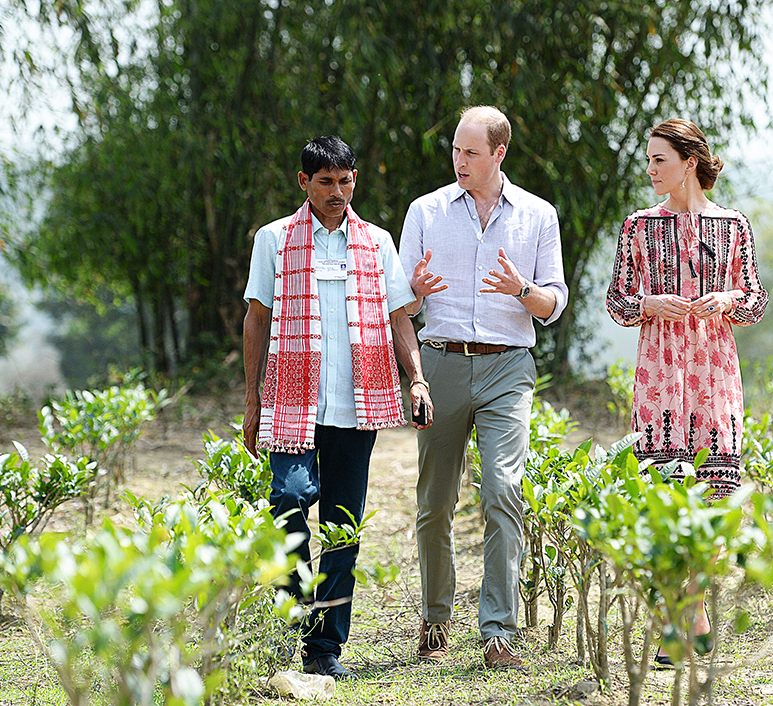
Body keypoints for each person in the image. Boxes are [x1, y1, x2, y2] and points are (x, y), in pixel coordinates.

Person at [242, 136, 433, 680]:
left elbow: (399, 316)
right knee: (291, 500)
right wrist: (251, 400)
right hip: (290, 400)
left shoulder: (376, 242)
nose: (338, 192)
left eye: (346, 181)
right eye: (326, 182)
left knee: (344, 526)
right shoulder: (274, 240)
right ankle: (288, 626)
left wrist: (415, 379)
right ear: (303, 182)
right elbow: (256, 318)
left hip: (357, 405)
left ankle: (325, 647)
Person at [398, 105, 568, 670]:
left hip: (507, 368)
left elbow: (552, 306)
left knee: (502, 489)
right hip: (442, 363)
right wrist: (416, 292)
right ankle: (435, 618)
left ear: (499, 153)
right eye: (454, 150)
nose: (459, 161)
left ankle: (498, 630)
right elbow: (402, 307)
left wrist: (523, 289)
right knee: (435, 502)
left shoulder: (539, 217)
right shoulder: (424, 212)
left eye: (471, 152)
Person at [606, 117, 768, 665]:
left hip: (713, 371)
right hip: (659, 371)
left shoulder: (734, 225)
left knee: (713, 492)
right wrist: (649, 303)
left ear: (689, 162)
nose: (650, 169)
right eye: (649, 160)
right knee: (662, 492)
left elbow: (756, 301)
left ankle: (690, 613)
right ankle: (681, 623)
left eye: (659, 160)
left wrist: (727, 300)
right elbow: (618, 301)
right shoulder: (637, 227)